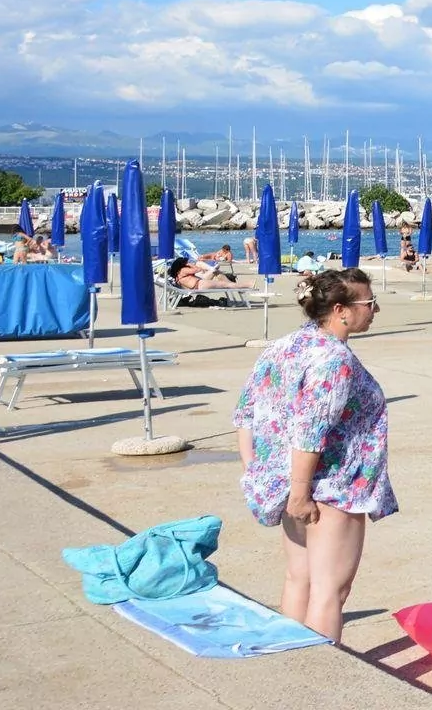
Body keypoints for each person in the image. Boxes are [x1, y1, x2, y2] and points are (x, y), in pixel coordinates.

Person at [233, 269, 396, 643]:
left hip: (290, 483)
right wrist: (300, 493)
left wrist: (258, 472)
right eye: (369, 303)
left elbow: (245, 414)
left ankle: (291, 662)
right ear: (340, 310)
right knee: (330, 591)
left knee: (299, 578)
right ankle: (320, 670)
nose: (375, 310)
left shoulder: (284, 346)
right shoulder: (334, 359)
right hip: (331, 488)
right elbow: (310, 432)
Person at [168, 255, 236, 291]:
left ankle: (212, 269)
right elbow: (198, 269)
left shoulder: (179, 272)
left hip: (198, 282)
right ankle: (231, 284)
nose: (187, 263)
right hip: (199, 284)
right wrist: (190, 264)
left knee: (213, 270)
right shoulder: (183, 270)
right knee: (214, 271)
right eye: (185, 262)